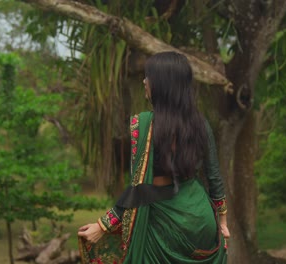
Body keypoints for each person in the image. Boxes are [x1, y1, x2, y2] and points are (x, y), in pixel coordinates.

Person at [78, 51, 230, 263]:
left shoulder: (143, 125)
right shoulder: (200, 124)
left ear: (161, 84)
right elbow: (214, 177)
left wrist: (103, 225)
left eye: (148, 76)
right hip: (201, 221)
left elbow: (141, 189)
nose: (144, 81)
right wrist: (222, 222)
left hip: (165, 226)